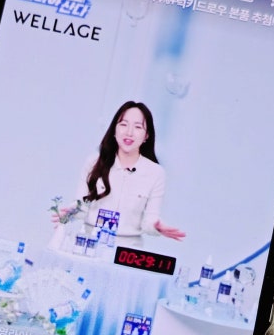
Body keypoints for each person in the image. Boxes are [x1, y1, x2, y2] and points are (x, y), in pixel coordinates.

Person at [66, 101, 185, 247]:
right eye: (123, 124)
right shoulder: (93, 162)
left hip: (127, 250)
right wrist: (70, 212)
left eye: (138, 127)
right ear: (114, 130)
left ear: (146, 135)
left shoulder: (156, 173)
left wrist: (157, 226)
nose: (129, 132)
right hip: (89, 242)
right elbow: (81, 207)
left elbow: (149, 221)